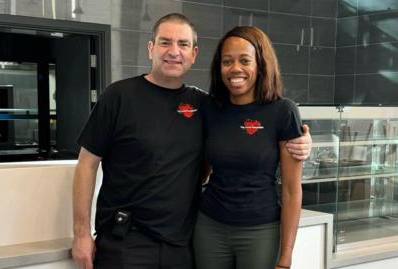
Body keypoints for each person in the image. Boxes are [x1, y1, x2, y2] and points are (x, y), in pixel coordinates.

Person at [72, 13, 311, 269]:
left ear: (194, 54)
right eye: (165, 42)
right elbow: (86, 164)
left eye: (183, 44)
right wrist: (81, 234)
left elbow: (243, 135)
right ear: (151, 47)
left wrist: (303, 140)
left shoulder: (203, 104)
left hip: (182, 243)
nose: (174, 51)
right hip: (128, 241)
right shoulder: (118, 96)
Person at [193, 26, 303, 269]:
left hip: (260, 231)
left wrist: (286, 257)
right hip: (209, 226)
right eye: (227, 61)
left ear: (261, 64)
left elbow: (292, 192)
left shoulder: (283, 111)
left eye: (245, 60)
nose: (235, 69)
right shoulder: (210, 108)